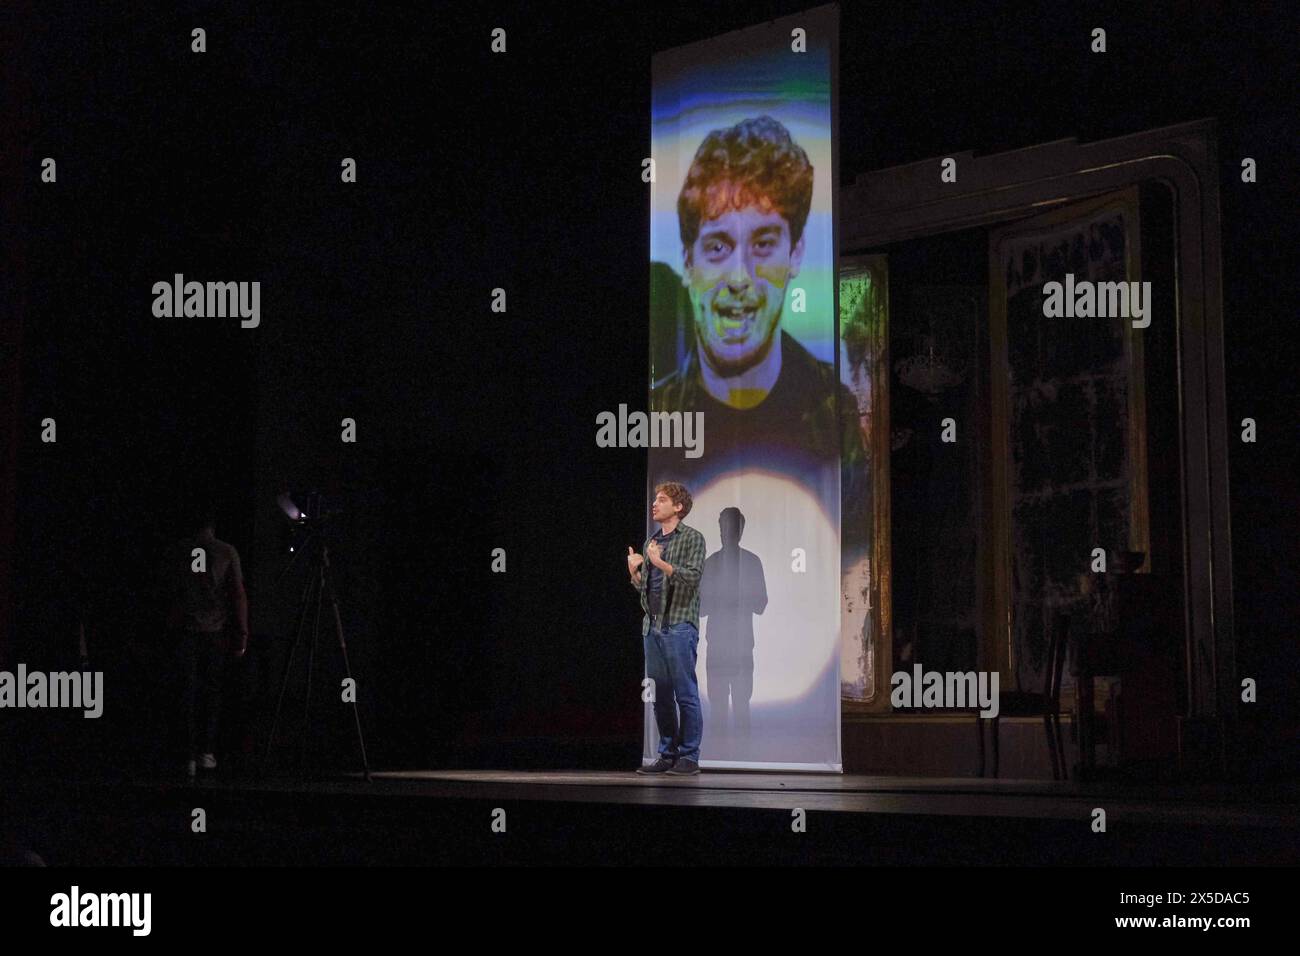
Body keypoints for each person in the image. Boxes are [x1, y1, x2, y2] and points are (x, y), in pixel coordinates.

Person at [650, 114, 866, 477]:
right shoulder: (656, 412)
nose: (739, 277)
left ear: (795, 254)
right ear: (688, 263)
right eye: (718, 246)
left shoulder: (833, 409)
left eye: (764, 244)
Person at [161, 502, 248, 777]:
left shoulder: (177, 551)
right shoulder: (225, 551)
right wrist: (242, 632)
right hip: (214, 632)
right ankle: (206, 752)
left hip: (184, 631)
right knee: (211, 694)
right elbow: (237, 594)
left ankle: (186, 754)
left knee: (185, 693)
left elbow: (168, 593)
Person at [626, 482, 706, 775]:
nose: (655, 504)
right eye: (655, 500)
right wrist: (635, 571)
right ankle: (667, 753)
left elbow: (692, 578)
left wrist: (660, 562)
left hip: (680, 625)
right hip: (653, 627)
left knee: (685, 694)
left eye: (662, 500)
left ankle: (689, 757)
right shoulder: (652, 541)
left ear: (678, 507)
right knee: (660, 695)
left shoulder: (693, 539)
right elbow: (647, 590)